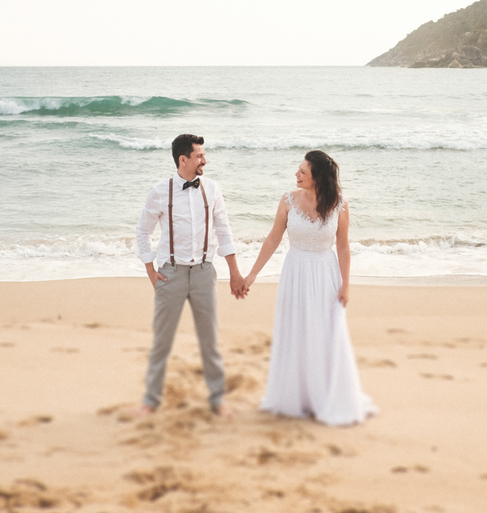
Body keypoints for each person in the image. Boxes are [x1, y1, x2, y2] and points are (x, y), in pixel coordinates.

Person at [242, 150, 377, 426]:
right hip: (295, 272)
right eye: (298, 170)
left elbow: (342, 246)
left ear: (318, 177)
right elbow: (272, 239)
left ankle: (325, 395)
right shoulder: (288, 199)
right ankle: (297, 397)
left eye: (303, 171)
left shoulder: (339, 204)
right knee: (297, 331)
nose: (297, 175)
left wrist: (346, 285)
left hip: (326, 274)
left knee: (325, 334)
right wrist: (252, 274)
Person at [136, 134, 245, 417]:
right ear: (183, 159)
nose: (204, 161)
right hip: (169, 274)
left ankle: (217, 398)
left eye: (204, 155)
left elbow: (224, 231)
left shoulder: (213, 189)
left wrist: (234, 272)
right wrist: (150, 270)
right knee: (162, 339)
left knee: (209, 338)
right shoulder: (160, 191)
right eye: (199, 156)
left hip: (204, 273)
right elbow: (142, 232)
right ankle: (151, 399)